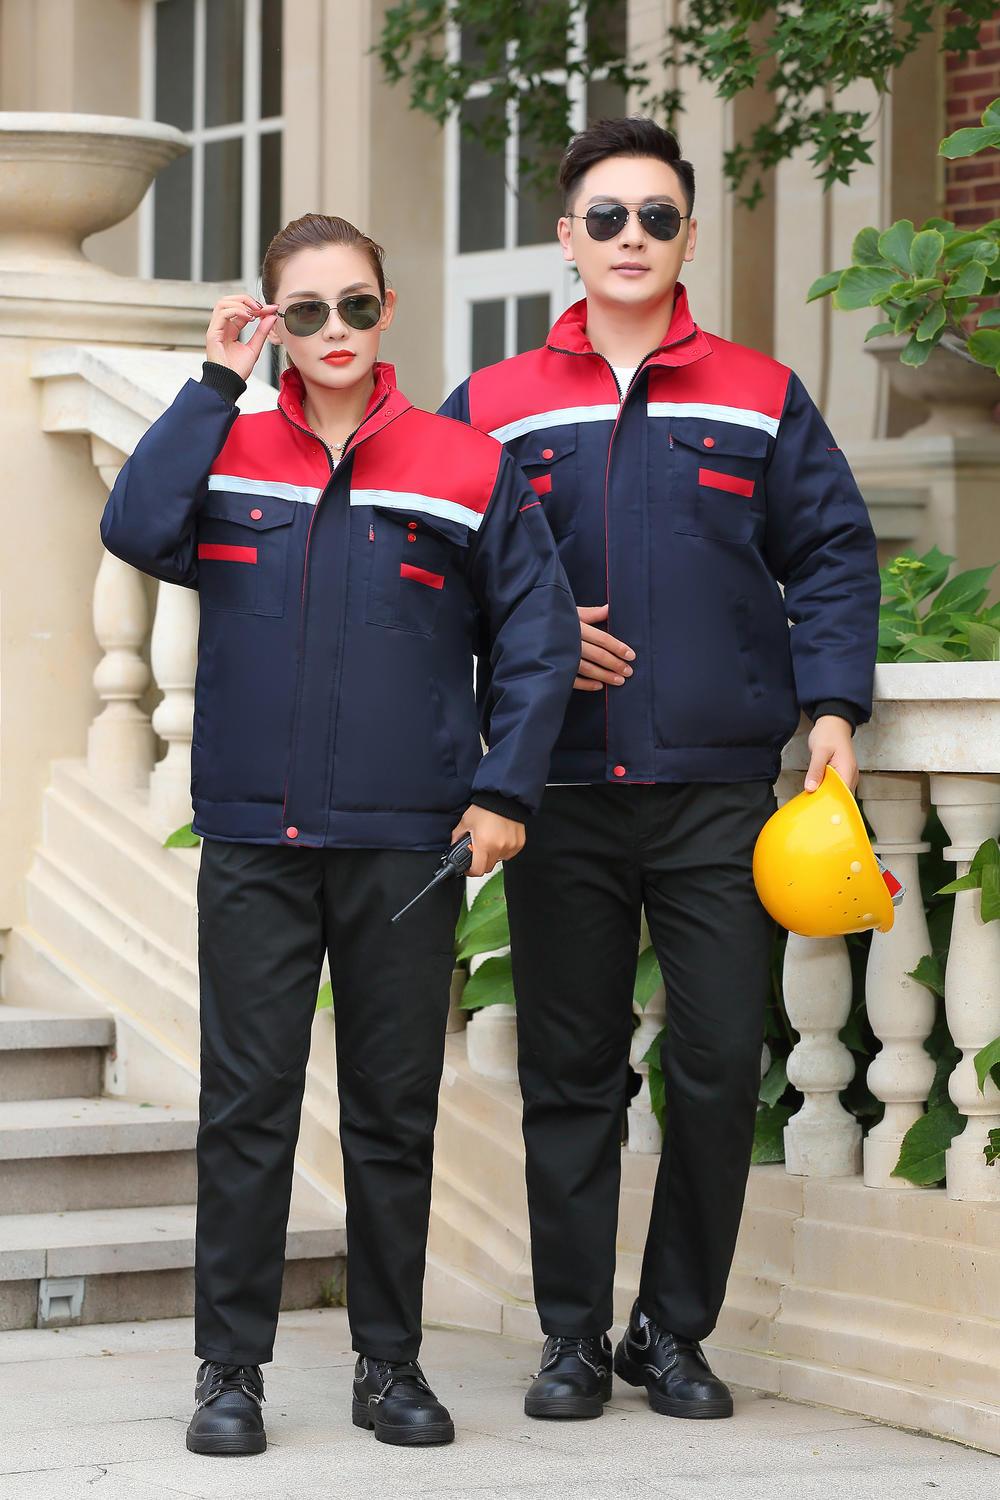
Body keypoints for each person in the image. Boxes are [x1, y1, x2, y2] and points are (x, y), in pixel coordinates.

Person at [101, 214, 579, 1454]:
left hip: (407, 846)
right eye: (303, 311)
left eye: (354, 305)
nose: (333, 331)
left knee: (392, 1110)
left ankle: (389, 1365)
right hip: (255, 840)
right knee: (246, 1106)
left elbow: (536, 638)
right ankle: (229, 1372)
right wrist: (214, 380)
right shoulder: (226, 445)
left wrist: (505, 792)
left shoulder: (462, 463)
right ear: (273, 321)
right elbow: (135, 528)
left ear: (386, 310)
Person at [440, 118, 879, 1422]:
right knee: (571, 1072)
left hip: (717, 791)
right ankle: (572, 1337)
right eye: (607, 216)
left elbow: (833, 553)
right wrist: (524, 629)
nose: (632, 236)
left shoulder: (758, 393)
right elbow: (422, 565)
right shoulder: (497, 403)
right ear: (567, 239)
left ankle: (673, 1333)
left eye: (657, 216)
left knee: (719, 1062)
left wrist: (834, 707)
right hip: (559, 793)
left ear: (689, 236)